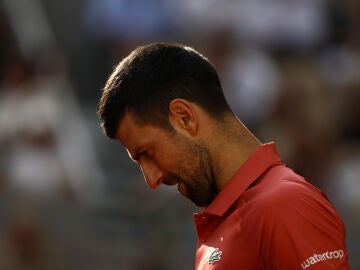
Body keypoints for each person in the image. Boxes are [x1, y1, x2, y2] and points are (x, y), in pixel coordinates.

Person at [98, 43, 350, 269]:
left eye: (147, 153)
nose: (152, 179)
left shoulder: (285, 205)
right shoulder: (221, 230)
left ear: (184, 118)